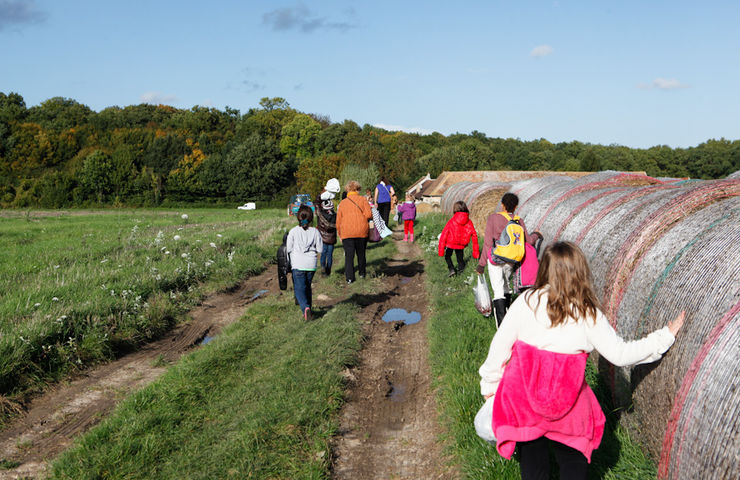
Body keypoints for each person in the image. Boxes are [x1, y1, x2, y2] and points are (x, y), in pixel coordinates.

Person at [479, 241, 684, 480]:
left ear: (544, 269)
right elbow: (620, 354)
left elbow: (499, 348)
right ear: (580, 272)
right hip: (568, 402)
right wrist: (664, 337)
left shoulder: (526, 302)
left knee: (533, 468)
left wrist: (489, 387)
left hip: (523, 399)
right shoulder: (587, 313)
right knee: (573, 463)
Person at [476, 193, 534, 326]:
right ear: (516, 206)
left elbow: (488, 243)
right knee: (506, 287)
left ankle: (502, 327)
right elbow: (529, 241)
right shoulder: (518, 220)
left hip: (496, 259)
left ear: (502, 205)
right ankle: (509, 319)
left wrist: (481, 264)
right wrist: (536, 234)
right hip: (511, 259)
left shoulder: (493, 218)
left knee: (498, 290)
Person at [286, 205, 323, 321]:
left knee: (299, 288)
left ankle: (305, 308)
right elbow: (320, 249)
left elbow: (288, 248)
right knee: (307, 287)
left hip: (298, 264)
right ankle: (309, 309)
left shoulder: (293, 231)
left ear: (298, 217)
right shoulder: (315, 232)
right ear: (311, 218)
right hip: (311, 264)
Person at [336, 180, 372, 284]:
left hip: (347, 232)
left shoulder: (342, 203)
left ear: (347, 190)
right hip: (361, 230)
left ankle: (350, 278)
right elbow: (369, 214)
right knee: (361, 254)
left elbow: (338, 221)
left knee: (349, 256)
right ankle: (362, 273)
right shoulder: (363, 200)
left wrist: (340, 233)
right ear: (358, 189)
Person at [438, 200, 480, 276]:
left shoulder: (452, 221)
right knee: (460, 259)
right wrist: (476, 252)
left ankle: (451, 269)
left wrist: (441, 250)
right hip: (461, 244)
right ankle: (461, 273)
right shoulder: (469, 222)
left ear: (455, 209)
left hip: (451, 243)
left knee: (447, 256)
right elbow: (474, 235)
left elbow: (444, 234)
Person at [316, 189, 337, 276]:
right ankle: (328, 271)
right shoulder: (335, 215)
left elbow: (317, 204)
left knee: (323, 254)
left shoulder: (320, 214)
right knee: (330, 255)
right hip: (331, 238)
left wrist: (321, 195)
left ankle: (323, 268)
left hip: (323, 238)